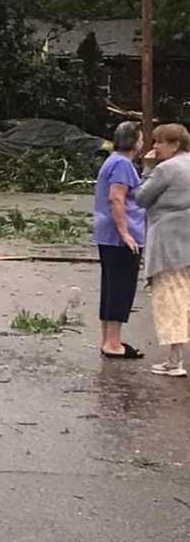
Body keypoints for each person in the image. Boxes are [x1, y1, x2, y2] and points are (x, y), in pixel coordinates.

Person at [135, 123, 190, 377]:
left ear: (175, 144)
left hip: (169, 241)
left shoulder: (166, 169)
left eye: (160, 142)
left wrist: (147, 168)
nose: (155, 147)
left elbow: (141, 198)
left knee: (171, 299)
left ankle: (175, 360)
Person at [93, 121, 145, 359]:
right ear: (134, 141)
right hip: (120, 235)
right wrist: (125, 233)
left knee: (111, 285)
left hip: (107, 233)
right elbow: (117, 198)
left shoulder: (112, 161)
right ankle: (114, 343)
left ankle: (108, 339)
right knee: (121, 287)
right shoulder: (123, 164)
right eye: (141, 138)